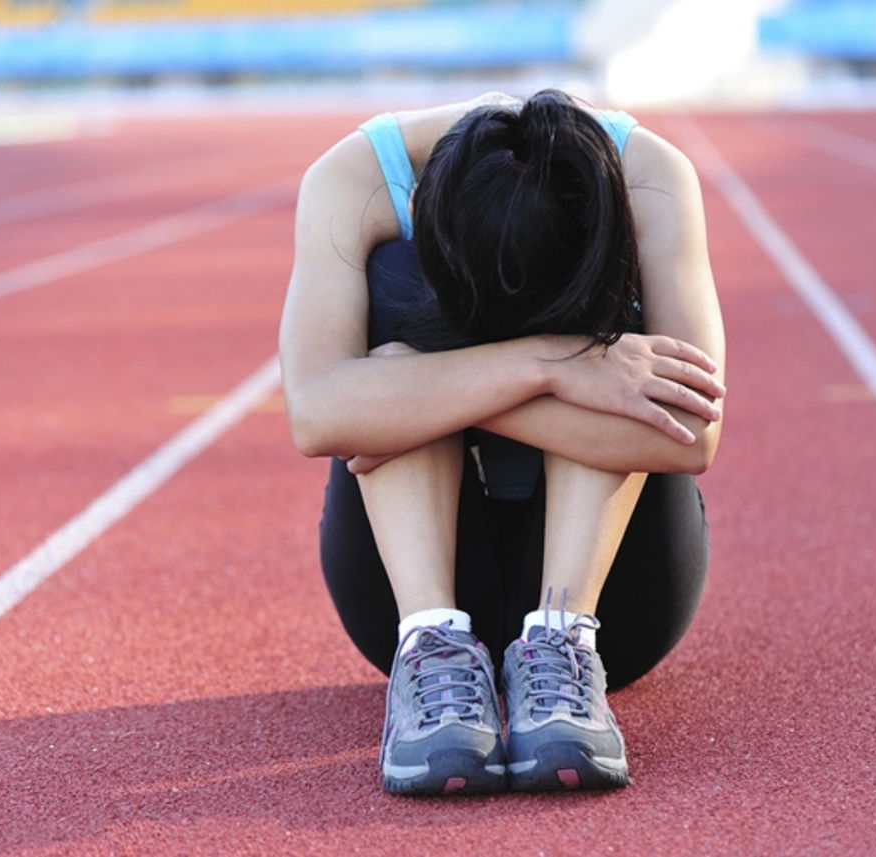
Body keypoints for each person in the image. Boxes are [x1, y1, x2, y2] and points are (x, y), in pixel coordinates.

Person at [278, 89, 725, 796]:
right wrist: (556, 365)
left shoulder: (650, 179)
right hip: (402, 594)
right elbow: (315, 412)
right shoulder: (355, 181)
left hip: (618, 606)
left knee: (396, 383)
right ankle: (433, 641)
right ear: (431, 215)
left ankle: (559, 639)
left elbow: (693, 432)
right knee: (389, 321)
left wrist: (416, 393)